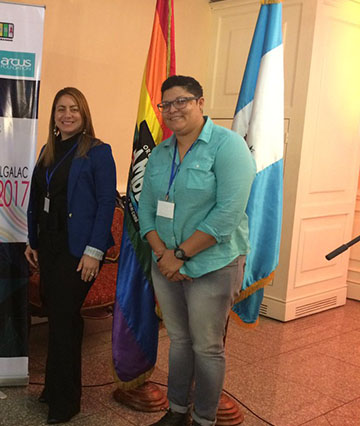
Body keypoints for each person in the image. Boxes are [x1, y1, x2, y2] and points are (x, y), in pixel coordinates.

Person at [138, 75, 255, 426]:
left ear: (200, 103)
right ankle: (177, 411)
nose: (173, 110)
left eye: (182, 101)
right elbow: (145, 207)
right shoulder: (160, 153)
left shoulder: (228, 146)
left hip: (213, 265)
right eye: (166, 104)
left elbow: (227, 214)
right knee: (178, 341)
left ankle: (205, 419)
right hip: (166, 263)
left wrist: (181, 255)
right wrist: (161, 253)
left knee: (206, 347)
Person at [25, 87, 117, 424]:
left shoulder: (97, 152)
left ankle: (67, 402)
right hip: (49, 248)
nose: (67, 114)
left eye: (74, 109)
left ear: (84, 114)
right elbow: (37, 199)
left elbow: (107, 202)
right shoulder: (47, 151)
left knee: (65, 320)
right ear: (54, 116)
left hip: (79, 252)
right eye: (61, 109)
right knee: (59, 318)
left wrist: (94, 251)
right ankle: (53, 389)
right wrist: (31, 240)